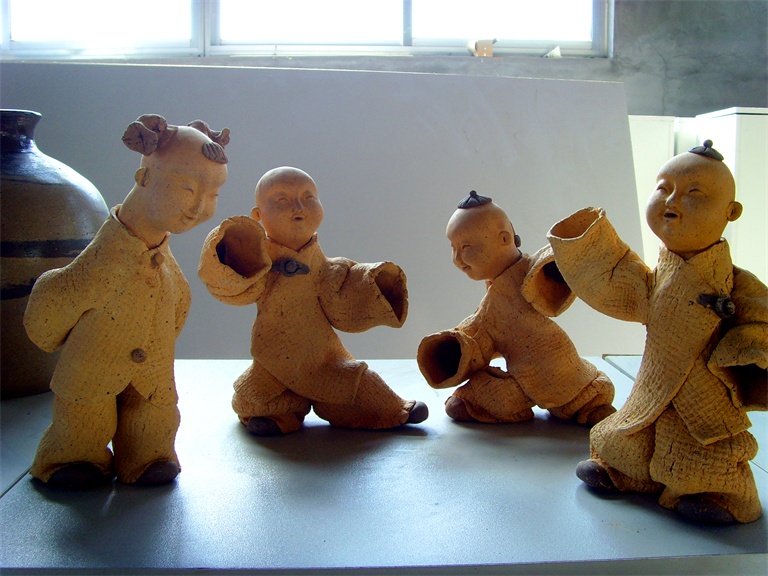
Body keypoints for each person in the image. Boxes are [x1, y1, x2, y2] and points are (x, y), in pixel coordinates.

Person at [547, 140, 767, 524]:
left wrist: (746, 346)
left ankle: (722, 496)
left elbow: (761, 319)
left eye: (694, 192)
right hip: (650, 389)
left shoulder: (736, 283)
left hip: (704, 396)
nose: (673, 201)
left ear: (731, 212)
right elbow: (617, 279)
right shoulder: (655, 278)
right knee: (621, 440)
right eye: (664, 188)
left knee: (701, 455)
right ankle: (629, 475)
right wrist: (587, 245)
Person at [24, 114, 230, 488]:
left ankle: (147, 457)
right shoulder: (99, 263)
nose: (199, 207)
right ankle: (71, 457)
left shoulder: (168, 265)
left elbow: (176, 311)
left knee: (154, 423)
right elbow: (48, 314)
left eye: (213, 194)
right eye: (187, 188)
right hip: (89, 378)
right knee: (83, 423)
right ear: (144, 177)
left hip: (153, 380)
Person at [198, 166, 428, 435]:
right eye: (282, 199)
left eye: (309, 198)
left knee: (361, 386)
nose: (298, 207)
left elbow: (343, 304)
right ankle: (283, 413)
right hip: (273, 359)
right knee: (253, 399)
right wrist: (229, 258)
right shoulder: (257, 260)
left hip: (324, 359)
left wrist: (373, 284)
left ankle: (391, 409)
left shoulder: (329, 269)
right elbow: (234, 289)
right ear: (258, 215)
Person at [417, 191, 615, 425]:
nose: (457, 258)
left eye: (466, 246)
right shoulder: (494, 297)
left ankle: (589, 403)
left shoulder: (531, 272)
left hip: (556, 368)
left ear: (504, 239)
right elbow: (479, 333)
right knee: (471, 398)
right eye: (453, 248)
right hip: (521, 378)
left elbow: (481, 328)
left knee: (572, 396)